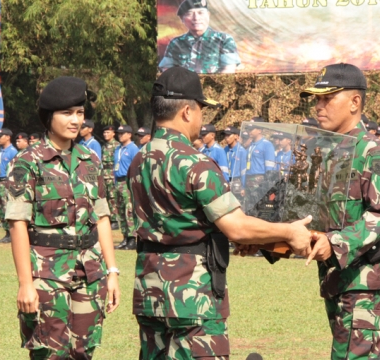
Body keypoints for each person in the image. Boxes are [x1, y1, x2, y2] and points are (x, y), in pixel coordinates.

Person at [127, 67, 313, 359]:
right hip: (192, 294)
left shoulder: (140, 159)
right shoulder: (195, 163)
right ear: (187, 111)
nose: (202, 118)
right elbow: (237, 227)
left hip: (150, 288)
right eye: (201, 109)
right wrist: (289, 231)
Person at [5, 76, 120, 359]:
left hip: (90, 273)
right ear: (48, 116)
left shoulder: (90, 160)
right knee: (51, 353)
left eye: (79, 113)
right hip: (47, 274)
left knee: (84, 351)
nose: (75, 120)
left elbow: (102, 217)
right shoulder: (27, 162)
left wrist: (112, 271)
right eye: (66, 113)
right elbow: (18, 223)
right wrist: (25, 283)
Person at [301, 63, 380, 360]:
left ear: (355, 102)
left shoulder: (375, 153)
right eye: (317, 99)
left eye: (327, 98)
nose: (319, 106)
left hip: (366, 283)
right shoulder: (324, 153)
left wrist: (334, 243)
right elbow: (308, 211)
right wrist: (268, 239)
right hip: (337, 281)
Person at [158, 0, 241, 74]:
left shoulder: (224, 40)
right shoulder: (176, 43)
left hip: (212, 88)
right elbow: (166, 69)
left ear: (208, 15)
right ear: (182, 19)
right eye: (190, 14)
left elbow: (228, 70)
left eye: (200, 13)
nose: (196, 18)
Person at [113, 124, 139, 250]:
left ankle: (132, 238)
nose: (120, 135)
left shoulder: (133, 148)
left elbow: (137, 166)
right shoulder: (118, 148)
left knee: (129, 211)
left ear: (129, 134)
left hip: (127, 182)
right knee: (120, 211)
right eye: (119, 133)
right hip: (118, 181)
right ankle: (124, 237)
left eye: (123, 133)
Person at [0, 128, 18, 244]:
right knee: (0, 208)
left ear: (8, 137)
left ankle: (11, 233)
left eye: (1, 136)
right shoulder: (0, 151)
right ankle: (6, 232)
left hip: (7, 182)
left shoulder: (12, 151)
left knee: (7, 207)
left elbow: (15, 169)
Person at [102, 125, 120, 231]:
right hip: (105, 175)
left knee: (113, 198)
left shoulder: (117, 146)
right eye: (104, 132)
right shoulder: (104, 146)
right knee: (107, 198)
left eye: (108, 132)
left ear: (113, 133)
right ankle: (109, 218)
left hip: (112, 175)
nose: (105, 134)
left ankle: (115, 220)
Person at [223, 126, 247, 197]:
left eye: (229, 135)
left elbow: (243, 170)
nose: (226, 138)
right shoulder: (225, 149)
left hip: (237, 182)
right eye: (225, 136)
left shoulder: (241, 151)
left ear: (236, 136)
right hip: (226, 181)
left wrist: (243, 187)